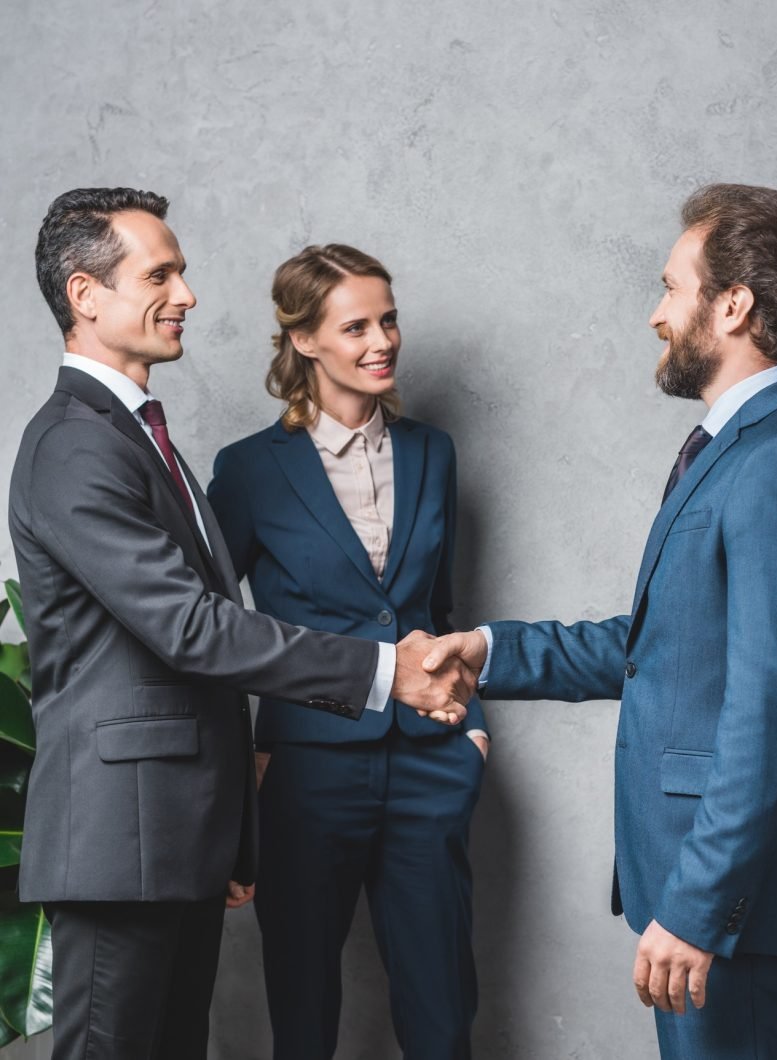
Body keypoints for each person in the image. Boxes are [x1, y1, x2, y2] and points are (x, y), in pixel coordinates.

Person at [8, 188, 474, 1060]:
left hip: (173, 834)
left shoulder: (137, 431)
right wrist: (384, 673)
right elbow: (193, 627)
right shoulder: (76, 441)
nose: (187, 294)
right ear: (85, 295)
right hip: (122, 842)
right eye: (161, 274)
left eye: (181, 272)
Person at [423, 184, 777, 1058]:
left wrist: (698, 906)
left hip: (728, 918)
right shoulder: (738, 453)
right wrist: (488, 651)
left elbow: (774, 708)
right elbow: (661, 652)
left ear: (734, 304)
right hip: (702, 904)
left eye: (672, 288)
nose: (656, 315)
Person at [207, 243, 488, 1060]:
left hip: (431, 762)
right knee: (302, 1010)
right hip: (304, 772)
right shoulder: (251, 471)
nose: (383, 341)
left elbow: (442, 608)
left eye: (389, 319)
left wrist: (471, 731)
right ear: (303, 340)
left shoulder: (434, 452)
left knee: (442, 1010)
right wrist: (248, 758)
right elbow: (216, 630)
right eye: (356, 325)